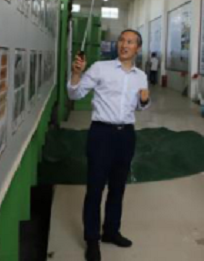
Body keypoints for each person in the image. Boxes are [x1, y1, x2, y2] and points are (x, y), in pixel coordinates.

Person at [68, 29, 151, 261]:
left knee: (118, 187)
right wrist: (76, 74)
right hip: (101, 134)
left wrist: (145, 100)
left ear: (137, 48)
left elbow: (140, 106)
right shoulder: (100, 68)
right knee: (95, 189)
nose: (124, 45)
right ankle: (92, 240)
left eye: (130, 42)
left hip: (126, 135)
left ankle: (111, 231)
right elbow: (75, 94)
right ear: (117, 44)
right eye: (122, 40)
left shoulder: (140, 76)